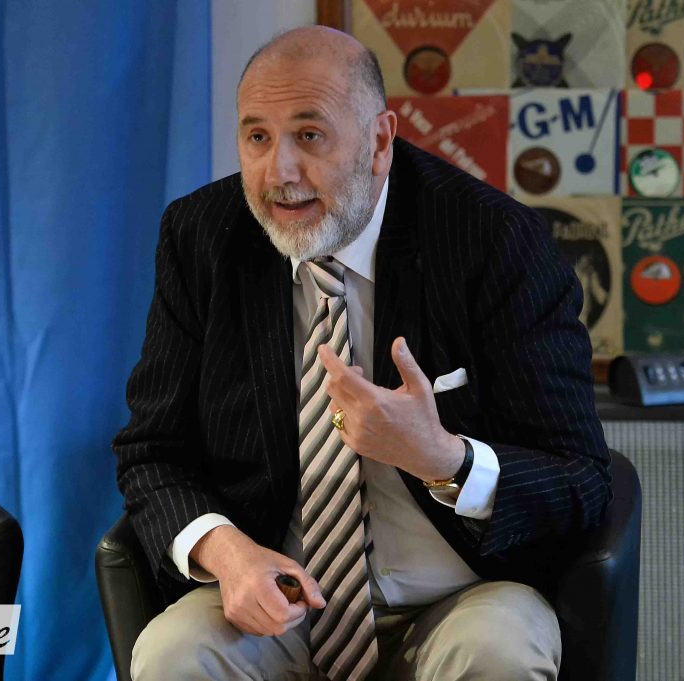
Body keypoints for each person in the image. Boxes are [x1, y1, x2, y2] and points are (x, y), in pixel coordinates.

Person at [113, 25, 610, 681]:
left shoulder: (495, 241)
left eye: (309, 135)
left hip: (461, 594)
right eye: (257, 137)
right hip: (276, 600)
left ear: (379, 142)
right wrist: (227, 554)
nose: (278, 173)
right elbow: (153, 450)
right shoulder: (202, 237)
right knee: (174, 655)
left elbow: (580, 478)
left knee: (499, 651)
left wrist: (443, 458)